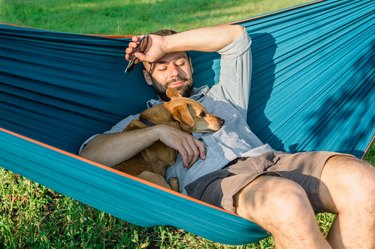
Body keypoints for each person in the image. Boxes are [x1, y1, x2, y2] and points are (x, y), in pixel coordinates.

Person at [79, 24, 375, 249]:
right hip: (215, 182)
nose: (174, 71)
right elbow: (90, 154)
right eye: (161, 66)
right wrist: (158, 131)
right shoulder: (142, 121)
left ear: (192, 65)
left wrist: (164, 45)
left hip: (272, 160)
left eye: (180, 61)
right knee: (286, 201)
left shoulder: (223, 97)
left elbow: (237, 38)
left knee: (365, 182)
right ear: (147, 77)